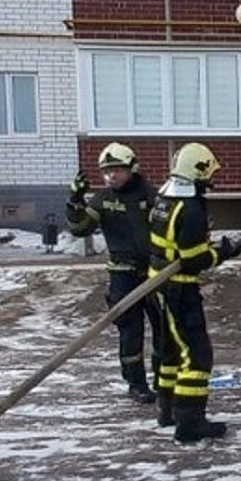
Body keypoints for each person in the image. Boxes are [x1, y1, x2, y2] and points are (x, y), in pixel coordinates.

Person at [148, 143, 241, 443]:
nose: (212, 179)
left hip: (158, 286)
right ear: (197, 171)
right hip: (179, 290)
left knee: (170, 352)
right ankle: (190, 424)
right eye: (209, 173)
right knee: (196, 357)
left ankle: (167, 411)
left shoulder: (164, 199)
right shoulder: (191, 208)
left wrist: (218, 247)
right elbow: (194, 260)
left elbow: (177, 248)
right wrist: (225, 252)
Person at [65, 142, 164, 405]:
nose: (112, 176)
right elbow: (81, 228)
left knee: (163, 330)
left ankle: (165, 381)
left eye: (118, 170)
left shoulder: (150, 196)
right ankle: (136, 384)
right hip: (122, 276)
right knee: (130, 333)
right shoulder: (104, 200)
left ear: (132, 168)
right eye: (107, 172)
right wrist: (74, 201)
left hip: (154, 274)